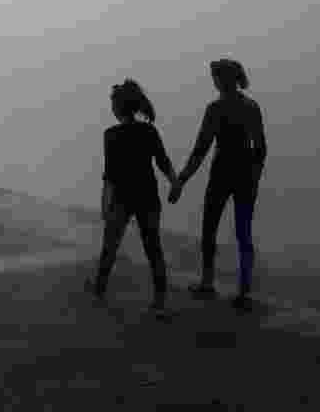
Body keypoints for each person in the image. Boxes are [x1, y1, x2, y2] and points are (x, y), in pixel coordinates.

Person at [168, 59, 266, 312]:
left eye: (215, 77)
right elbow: (261, 149)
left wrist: (182, 180)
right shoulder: (251, 107)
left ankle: (208, 282)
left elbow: (201, 149)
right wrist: (255, 177)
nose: (213, 81)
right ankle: (244, 291)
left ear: (223, 79)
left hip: (222, 173)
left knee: (209, 228)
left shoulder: (216, 108)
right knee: (244, 233)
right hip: (245, 176)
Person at [85, 79, 178, 313]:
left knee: (110, 246)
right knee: (153, 248)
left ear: (117, 108)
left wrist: (105, 205)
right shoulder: (149, 131)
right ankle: (160, 301)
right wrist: (175, 183)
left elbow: (110, 176)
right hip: (147, 197)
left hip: (122, 199)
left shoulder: (111, 135)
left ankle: (99, 287)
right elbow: (163, 162)